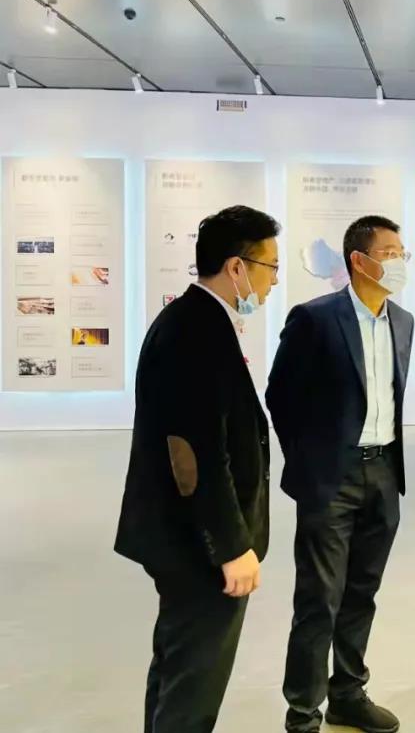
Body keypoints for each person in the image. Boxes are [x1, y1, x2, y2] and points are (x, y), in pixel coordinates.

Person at [114, 205, 280, 732]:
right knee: (194, 682)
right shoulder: (195, 332)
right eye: (271, 267)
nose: (274, 281)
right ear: (237, 267)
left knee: (178, 668)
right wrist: (230, 547)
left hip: (185, 538)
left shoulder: (197, 321)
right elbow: (196, 456)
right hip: (197, 547)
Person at [268, 215, 414, 733]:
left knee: (361, 593)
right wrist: (308, 465)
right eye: (391, 253)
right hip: (331, 480)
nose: (400, 262)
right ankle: (303, 714)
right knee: (319, 600)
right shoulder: (315, 319)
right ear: (359, 260)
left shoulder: (403, 322)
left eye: (402, 254)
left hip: (384, 474)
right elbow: (280, 395)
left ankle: (348, 694)